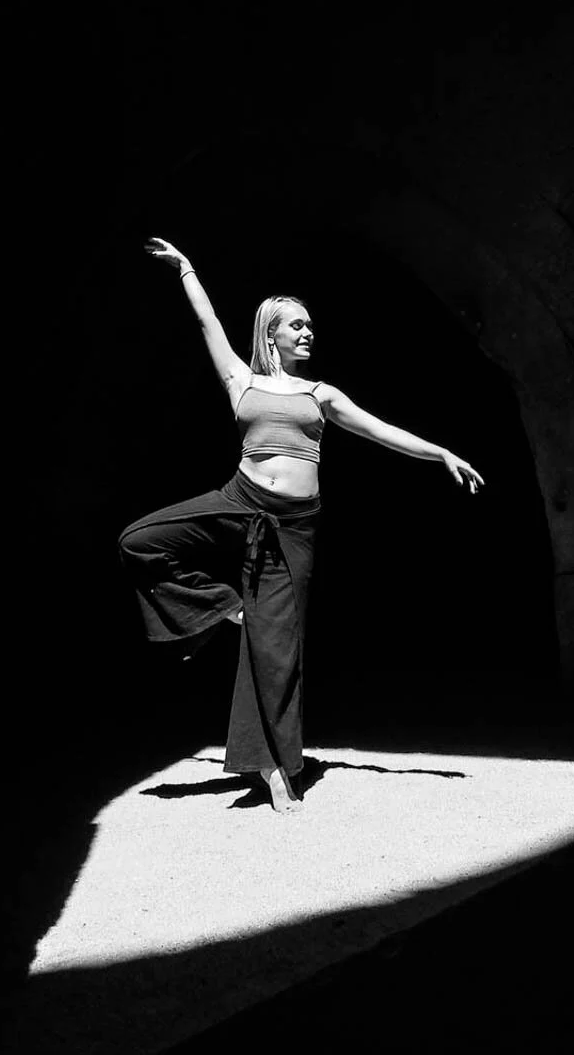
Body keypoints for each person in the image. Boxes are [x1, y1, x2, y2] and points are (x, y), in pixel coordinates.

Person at [118, 237, 483, 812]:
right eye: (297, 326)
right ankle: (221, 606)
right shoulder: (242, 381)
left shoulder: (321, 394)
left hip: (295, 528)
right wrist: (187, 269)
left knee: (278, 652)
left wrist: (439, 452)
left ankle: (276, 768)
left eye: (310, 325)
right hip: (239, 502)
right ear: (272, 336)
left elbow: (381, 430)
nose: (308, 332)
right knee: (139, 540)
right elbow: (210, 322)